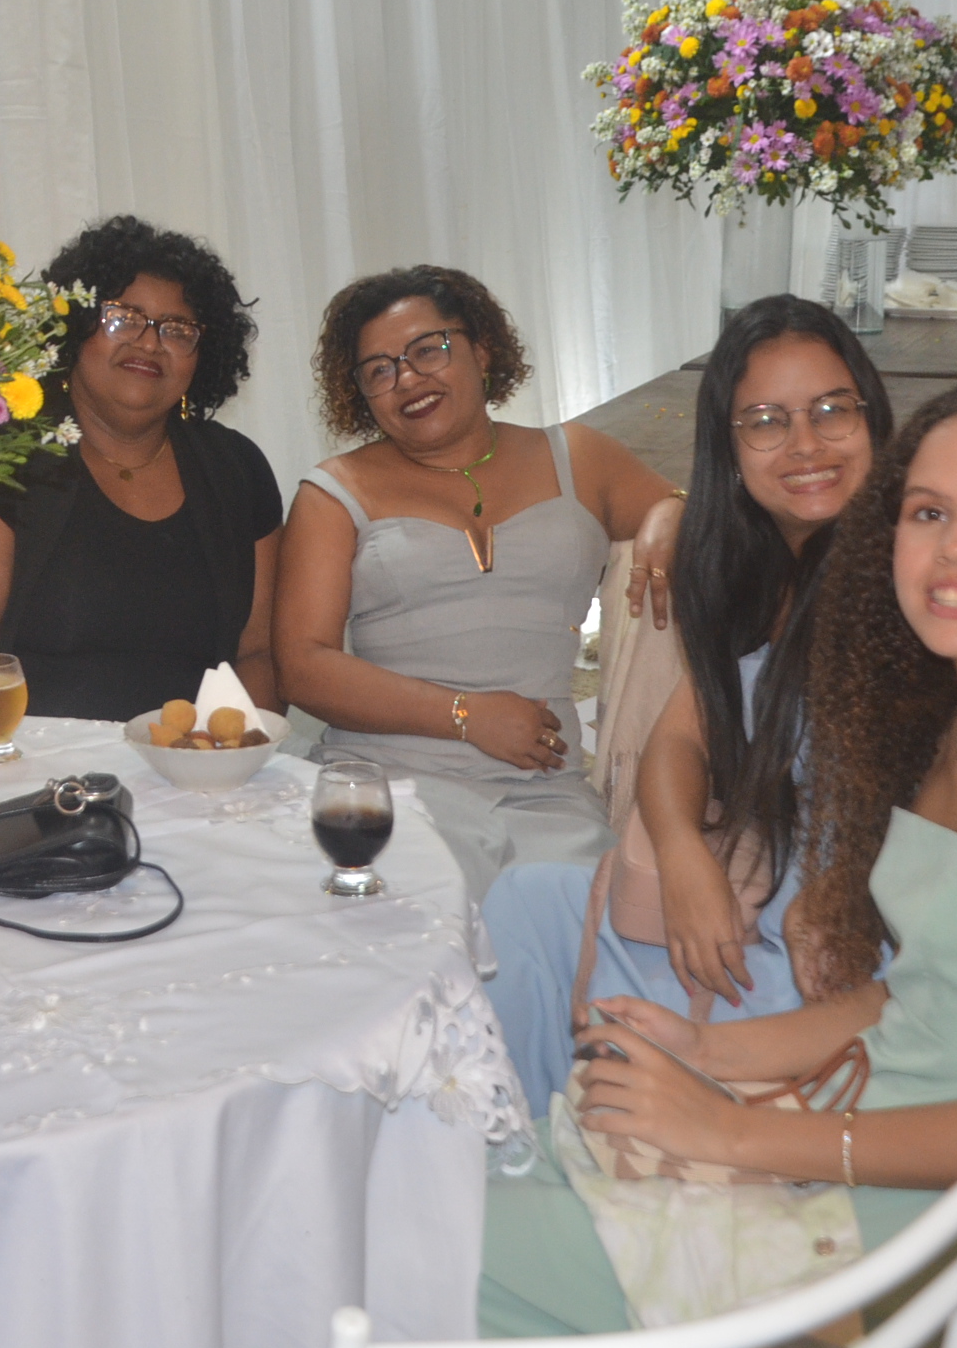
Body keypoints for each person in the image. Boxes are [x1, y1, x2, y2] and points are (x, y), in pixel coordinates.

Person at [480, 379, 957, 1348]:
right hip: (870, 1146)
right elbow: (916, 996)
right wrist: (713, 1050)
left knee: (420, 1257)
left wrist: (731, 1134)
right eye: (928, 512)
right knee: (507, 1183)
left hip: (925, 1247)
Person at [484, 296, 894, 1102]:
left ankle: (571, 1130)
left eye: (831, 410)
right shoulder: (759, 568)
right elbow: (680, 740)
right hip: (755, 881)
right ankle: (533, 1134)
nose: (806, 444)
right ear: (728, 447)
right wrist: (681, 856)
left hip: (830, 938)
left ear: (871, 414)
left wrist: (836, 897)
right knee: (523, 904)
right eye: (766, 421)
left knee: (548, 948)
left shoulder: (902, 576)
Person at [275, 266, 683, 889]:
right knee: (411, 917)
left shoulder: (578, 457)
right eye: (379, 370)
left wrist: (671, 512)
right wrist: (466, 714)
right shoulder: (334, 492)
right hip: (387, 790)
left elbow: (705, 522)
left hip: (544, 791)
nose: (407, 379)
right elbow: (303, 666)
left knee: (586, 915)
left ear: (483, 349)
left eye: (427, 350)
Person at [0, 216, 281, 721]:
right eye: (123, 318)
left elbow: (258, 654)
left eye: (177, 330)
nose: (149, 343)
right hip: (28, 758)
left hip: (190, 759)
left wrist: (241, 754)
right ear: (76, 329)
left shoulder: (236, 468)